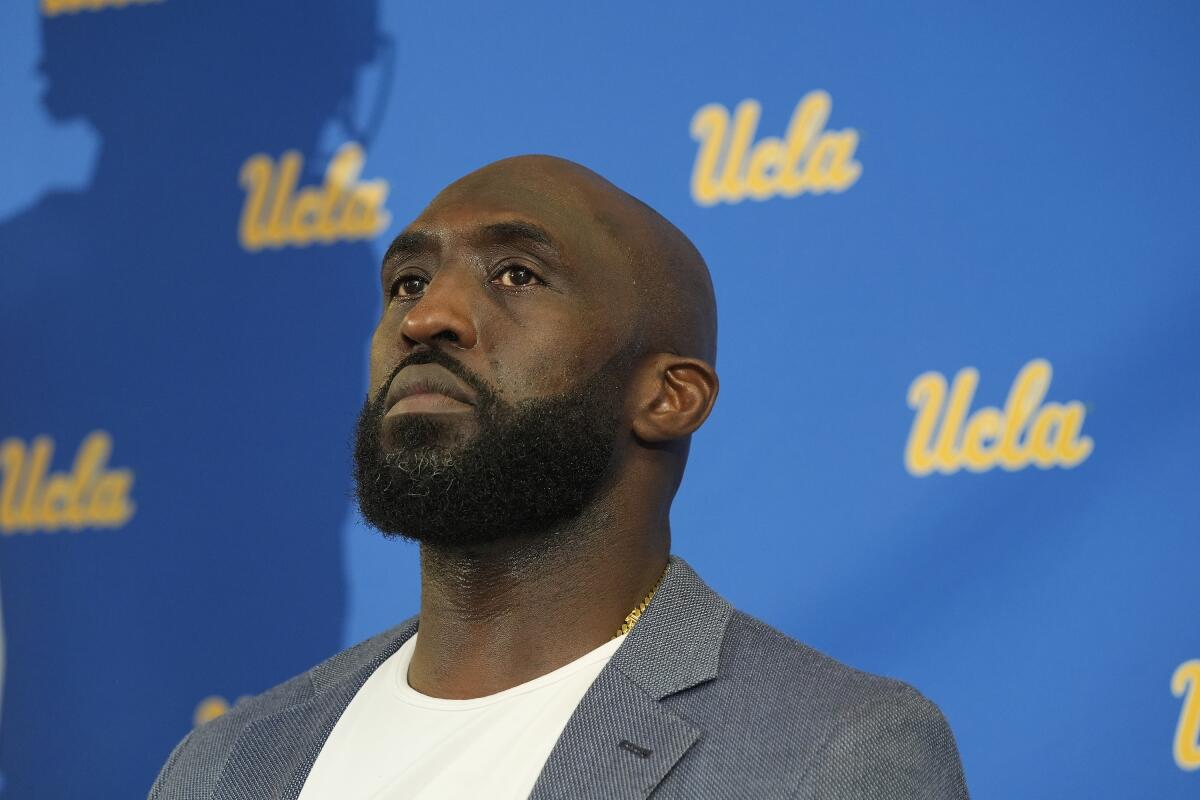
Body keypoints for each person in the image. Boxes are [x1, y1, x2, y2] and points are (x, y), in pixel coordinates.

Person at [150, 156, 969, 799]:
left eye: (516, 275)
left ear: (670, 397)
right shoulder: (226, 764)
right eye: (407, 282)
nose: (427, 316)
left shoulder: (830, 751)